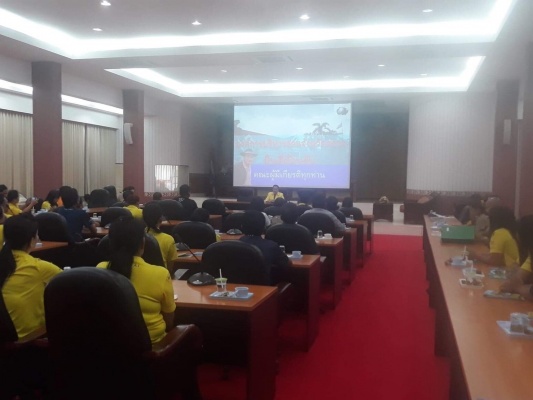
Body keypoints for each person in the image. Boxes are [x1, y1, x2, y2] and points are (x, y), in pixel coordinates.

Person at [97, 217, 176, 344]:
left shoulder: (100, 269)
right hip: (154, 349)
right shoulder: (160, 274)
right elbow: (169, 320)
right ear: (142, 244)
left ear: (111, 243)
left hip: (111, 347)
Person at [0, 214, 62, 340]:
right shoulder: (38, 267)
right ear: (32, 239)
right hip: (27, 340)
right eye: (37, 235)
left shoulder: (5, 261)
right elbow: (71, 282)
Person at [239, 210, 291, 284]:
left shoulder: (234, 245)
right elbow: (287, 264)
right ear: (264, 228)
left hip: (236, 287)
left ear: (241, 226)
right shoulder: (271, 246)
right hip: (263, 288)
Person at [500, 215, 533, 301]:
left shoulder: (500, 233)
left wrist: (518, 288)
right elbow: (517, 278)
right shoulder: (530, 256)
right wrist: (515, 285)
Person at [142, 202, 179, 271]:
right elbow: (170, 267)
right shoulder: (168, 239)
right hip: (162, 275)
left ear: (143, 218)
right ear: (161, 219)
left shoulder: (138, 236)